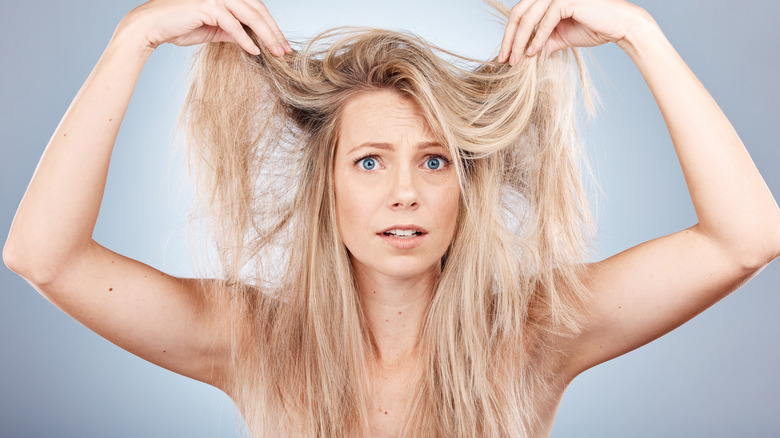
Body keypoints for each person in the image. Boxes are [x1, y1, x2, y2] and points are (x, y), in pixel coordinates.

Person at [3, 0, 779, 436]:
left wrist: (640, 32)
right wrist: (130, 37)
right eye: (370, 161)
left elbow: (748, 238)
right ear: (329, 187)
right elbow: (44, 257)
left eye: (435, 161)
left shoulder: (536, 333)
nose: (404, 192)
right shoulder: (254, 340)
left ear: (465, 189)